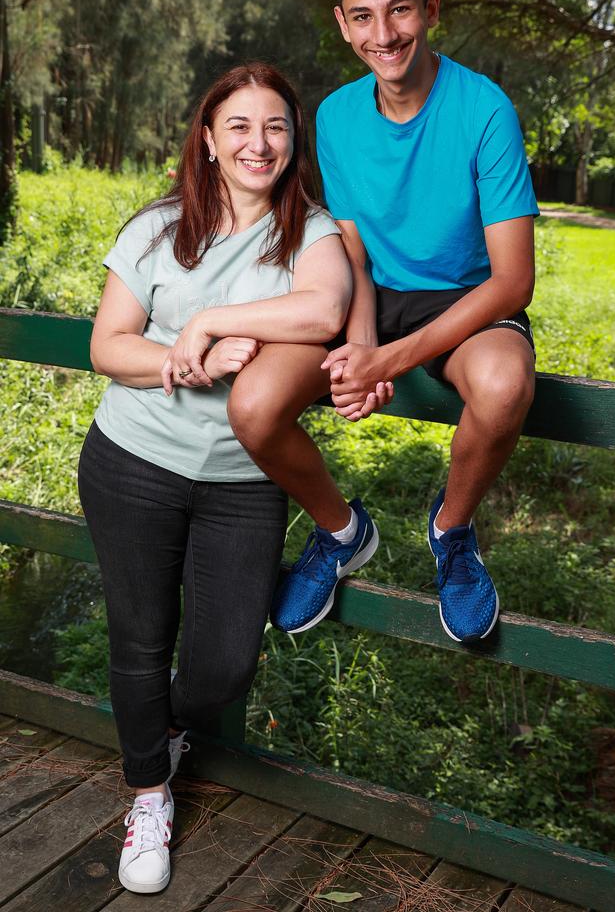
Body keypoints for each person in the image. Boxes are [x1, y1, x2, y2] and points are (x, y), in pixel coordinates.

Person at [77, 62, 373, 894]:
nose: (258, 142)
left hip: (243, 482)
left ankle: (156, 728)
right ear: (207, 140)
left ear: (293, 143)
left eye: (275, 127)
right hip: (131, 463)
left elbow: (320, 312)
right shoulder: (156, 228)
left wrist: (207, 322)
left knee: (225, 665)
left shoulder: (312, 232)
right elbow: (110, 347)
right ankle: (146, 793)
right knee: (138, 641)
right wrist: (198, 362)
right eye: (238, 126)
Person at [247, 0, 538, 645]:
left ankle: (452, 531)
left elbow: (514, 281)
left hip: (469, 302)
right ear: (345, 26)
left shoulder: (485, 110)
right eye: (365, 16)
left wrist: (391, 362)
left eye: (401, 10)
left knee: (503, 390)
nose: (386, 33)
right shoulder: (338, 116)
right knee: (253, 405)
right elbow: (355, 252)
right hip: (367, 295)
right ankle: (341, 532)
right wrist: (363, 339)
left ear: (431, 9)